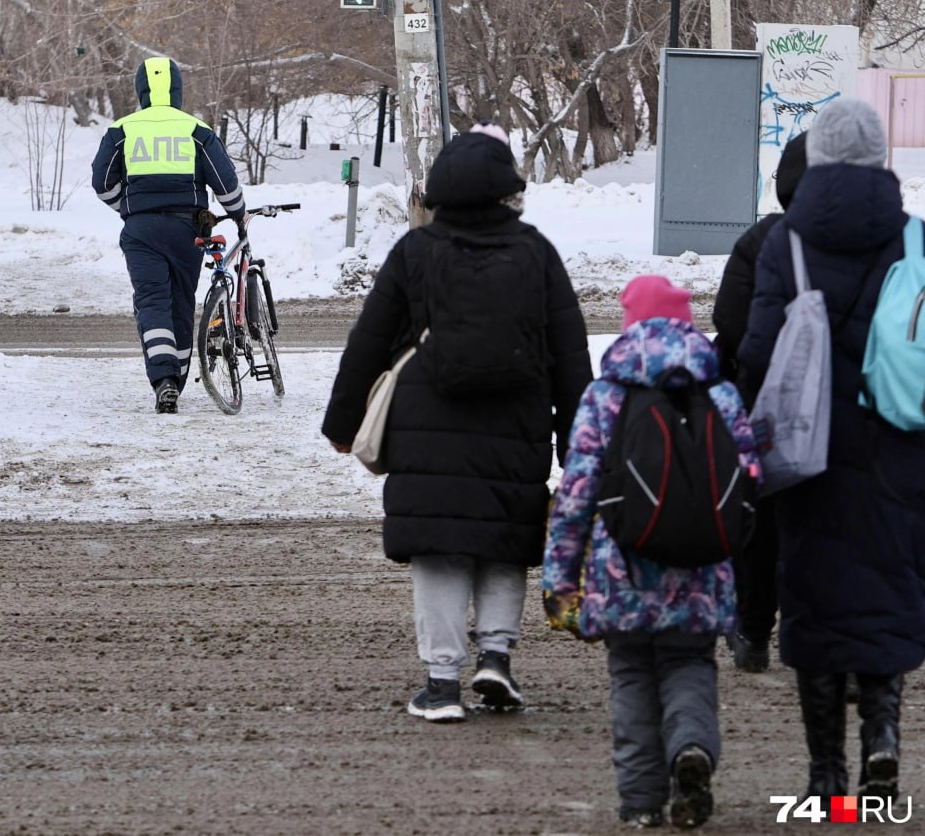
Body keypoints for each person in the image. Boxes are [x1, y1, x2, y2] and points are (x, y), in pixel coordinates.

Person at [322, 123, 591, 723]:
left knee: (440, 552)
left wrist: (342, 424)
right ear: (506, 191)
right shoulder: (536, 252)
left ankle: (442, 686)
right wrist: (580, 442)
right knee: (502, 546)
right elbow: (570, 351)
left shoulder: (415, 251)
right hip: (516, 425)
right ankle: (495, 659)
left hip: (427, 426)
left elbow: (368, 341)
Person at [737, 97, 925, 803]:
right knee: (889, 594)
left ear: (815, 160)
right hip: (901, 447)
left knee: (815, 606)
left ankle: (827, 778)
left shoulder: (785, 243)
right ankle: (882, 736)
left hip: (808, 457)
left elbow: (756, 354)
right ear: (882, 160)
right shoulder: (916, 240)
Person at [543, 275, 759, 829]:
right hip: (701, 572)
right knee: (690, 666)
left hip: (621, 573)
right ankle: (691, 750)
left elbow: (575, 495)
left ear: (628, 325)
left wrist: (561, 580)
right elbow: (748, 481)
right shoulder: (722, 392)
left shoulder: (604, 396)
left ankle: (641, 802)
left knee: (632, 679)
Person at [90, 56, 245, 413]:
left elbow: (102, 183)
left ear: (140, 91)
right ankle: (177, 375)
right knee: (180, 302)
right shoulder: (196, 130)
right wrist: (238, 214)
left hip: (141, 231)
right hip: (185, 229)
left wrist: (127, 207)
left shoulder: (122, 131)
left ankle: (164, 380)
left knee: (152, 301)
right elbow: (225, 183)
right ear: (177, 90)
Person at [711, 131, 808, 673]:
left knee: (760, 523)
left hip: (765, 407)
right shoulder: (882, 237)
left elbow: (732, 324)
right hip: (854, 408)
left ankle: (751, 630)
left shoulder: (762, 240)